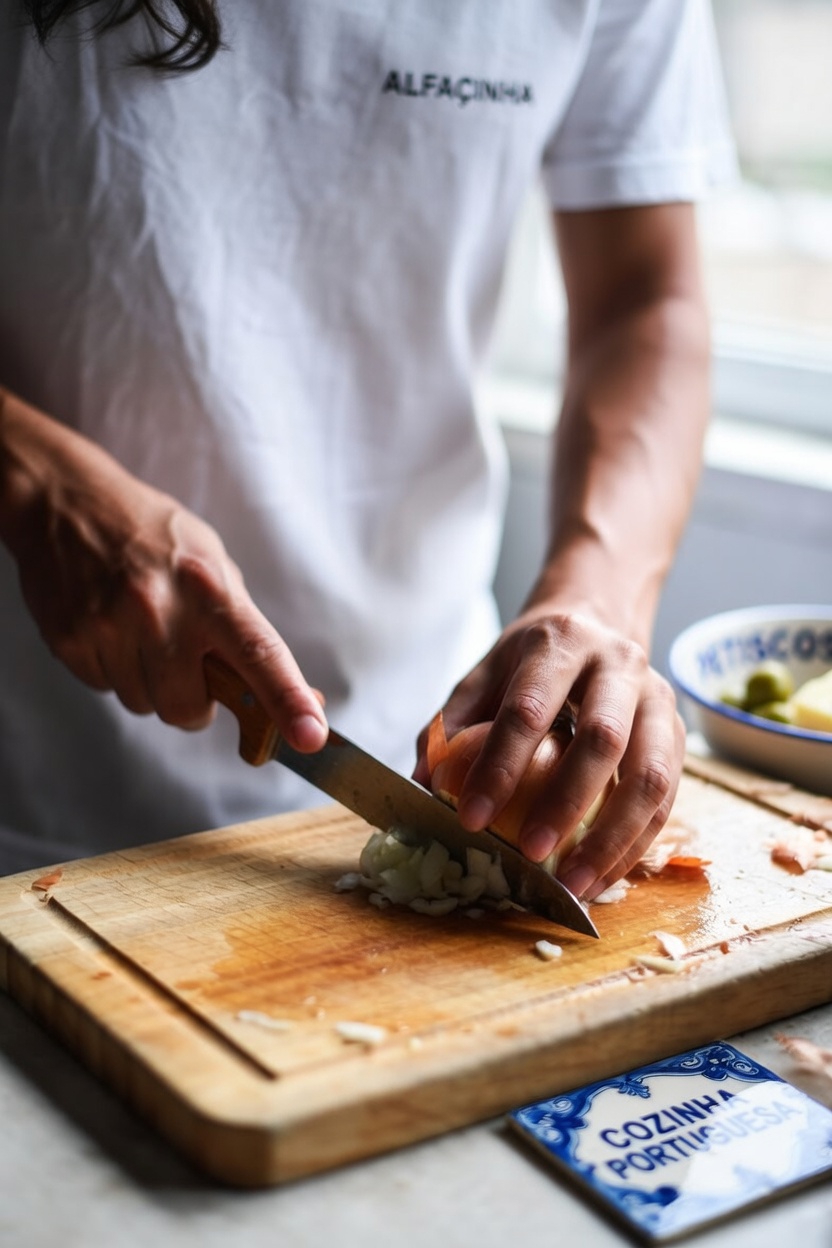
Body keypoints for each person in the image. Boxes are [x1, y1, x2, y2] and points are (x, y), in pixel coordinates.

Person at [0, 0, 735, 892]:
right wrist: (31, 479)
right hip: (34, 794)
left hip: (425, 758)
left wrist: (599, 593)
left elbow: (644, 301)